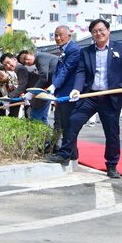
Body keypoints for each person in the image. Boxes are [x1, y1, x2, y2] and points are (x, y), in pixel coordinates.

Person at [46, 19, 122, 179]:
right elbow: (81, 71)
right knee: (73, 121)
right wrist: (76, 88)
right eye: (95, 31)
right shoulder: (87, 51)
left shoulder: (121, 48)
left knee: (112, 133)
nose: (99, 33)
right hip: (90, 96)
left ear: (108, 30)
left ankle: (111, 165)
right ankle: (65, 154)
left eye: (101, 30)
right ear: (91, 34)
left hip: (111, 97)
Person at [49, 25, 81, 161]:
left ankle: (67, 154)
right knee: (61, 123)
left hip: (69, 92)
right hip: (61, 93)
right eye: (55, 35)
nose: (57, 38)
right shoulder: (63, 49)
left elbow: (66, 70)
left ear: (69, 36)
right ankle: (71, 153)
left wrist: (54, 85)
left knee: (68, 124)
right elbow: (58, 71)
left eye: (60, 35)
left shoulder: (73, 49)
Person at [16, 50, 58, 125]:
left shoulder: (39, 58)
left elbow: (44, 77)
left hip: (59, 83)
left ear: (31, 53)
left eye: (26, 58)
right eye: (24, 62)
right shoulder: (38, 62)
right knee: (43, 118)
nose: (26, 61)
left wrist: (31, 92)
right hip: (51, 86)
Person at [0, 53, 39, 118]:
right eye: (5, 65)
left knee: (34, 117)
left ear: (15, 59)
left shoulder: (20, 68)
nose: (8, 65)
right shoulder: (17, 69)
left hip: (34, 95)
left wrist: (9, 97)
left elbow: (22, 86)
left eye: (8, 62)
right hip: (29, 95)